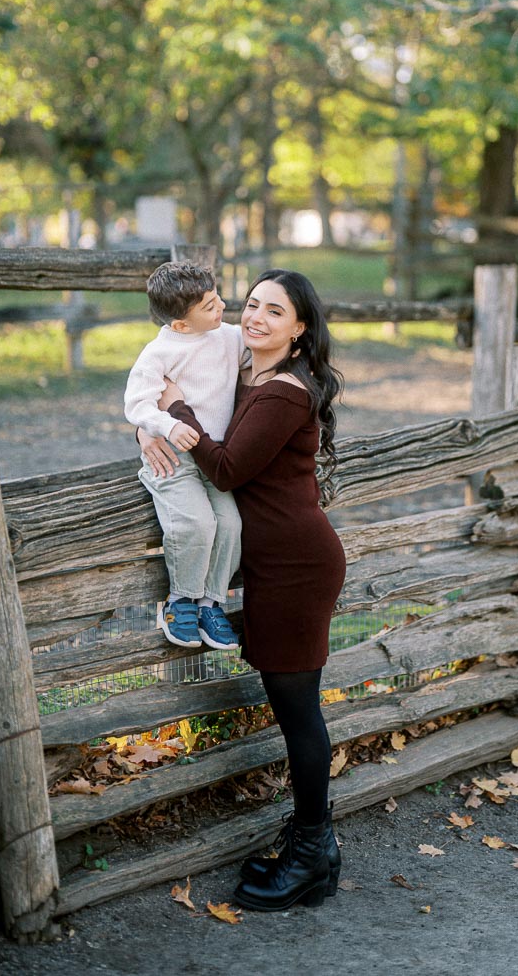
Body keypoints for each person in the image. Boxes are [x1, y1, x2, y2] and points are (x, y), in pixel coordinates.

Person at [139, 269, 347, 911]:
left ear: (299, 328)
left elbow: (226, 467)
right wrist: (153, 427)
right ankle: (313, 846)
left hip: (296, 565)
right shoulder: (245, 373)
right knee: (294, 709)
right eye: (251, 304)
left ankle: (314, 853)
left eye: (274, 311)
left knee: (299, 713)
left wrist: (175, 413)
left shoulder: (285, 390)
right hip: (273, 561)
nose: (255, 317)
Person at [124, 260, 243, 651]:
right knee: (195, 523)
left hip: (214, 458)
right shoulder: (160, 352)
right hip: (172, 459)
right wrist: (163, 426)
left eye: (217, 297)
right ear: (181, 325)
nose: (222, 306)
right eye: (210, 306)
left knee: (229, 525)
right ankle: (181, 600)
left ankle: (212, 601)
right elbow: (137, 404)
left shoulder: (230, 337)